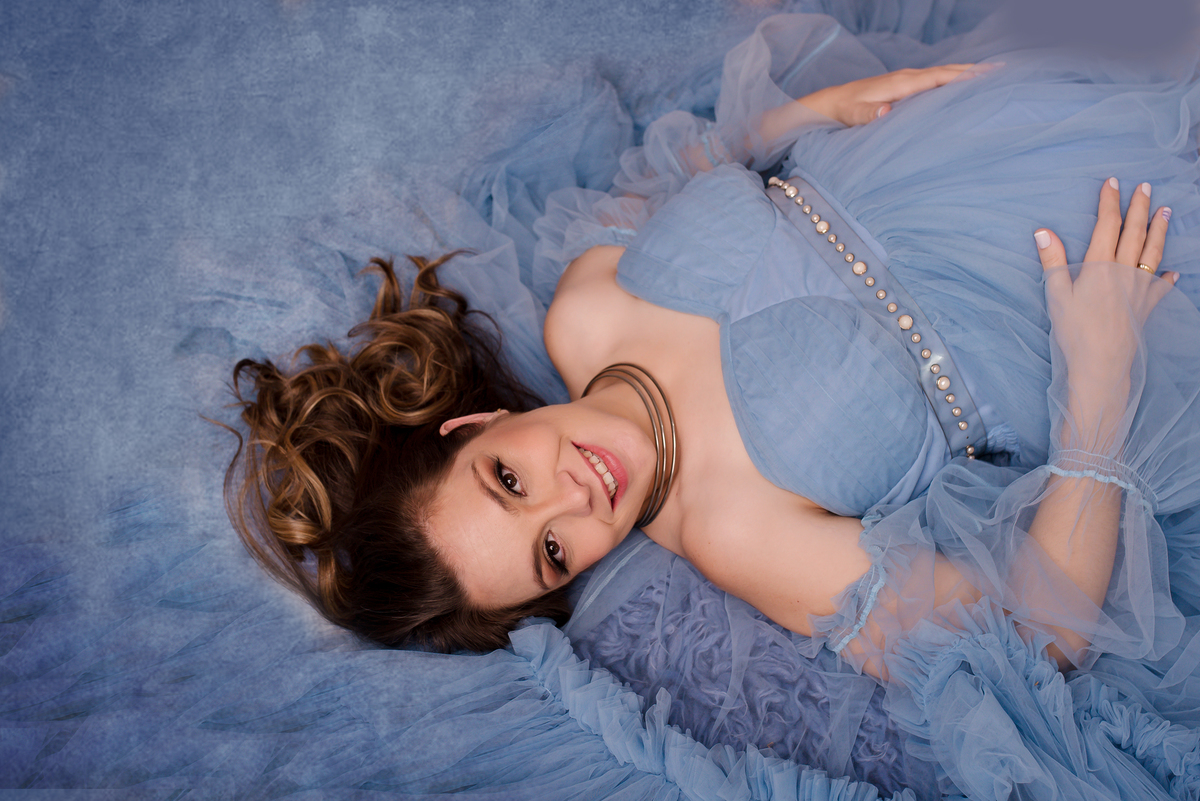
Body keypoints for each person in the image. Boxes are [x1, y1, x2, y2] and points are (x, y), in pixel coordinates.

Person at [224, 10, 1200, 798]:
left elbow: (689, 176)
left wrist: (802, 117)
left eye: (508, 480)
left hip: (961, 134)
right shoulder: (736, 536)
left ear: (477, 425)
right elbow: (1038, 635)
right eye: (552, 552)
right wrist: (1102, 370)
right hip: (1071, 279)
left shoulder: (583, 312)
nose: (574, 498)